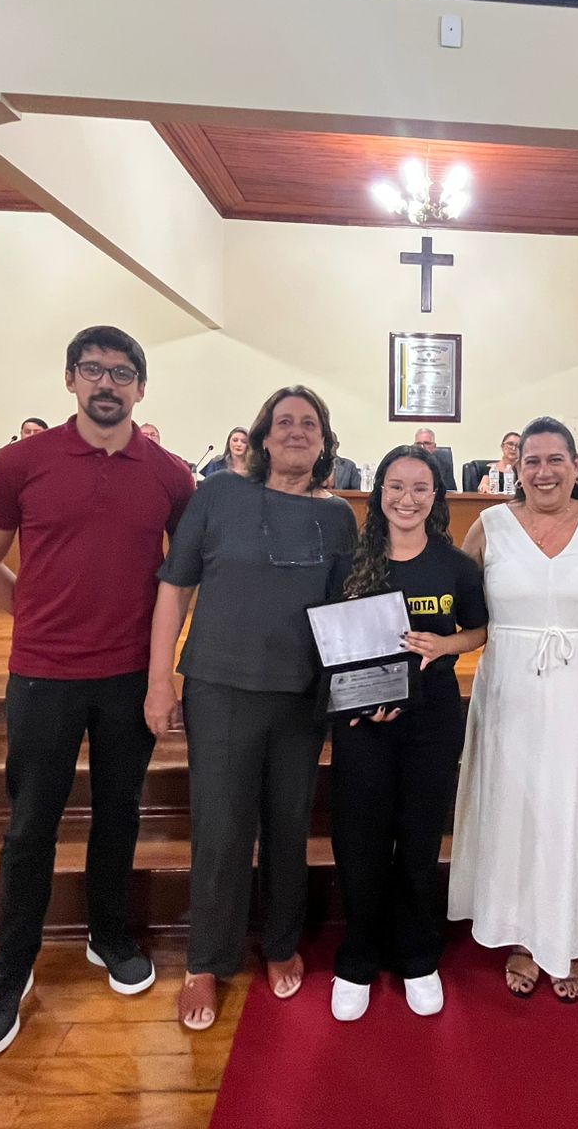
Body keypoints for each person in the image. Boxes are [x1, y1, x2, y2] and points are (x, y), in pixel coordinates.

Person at [0, 326, 194, 1062]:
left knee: (119, 814)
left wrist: (161, 671)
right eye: (92, 369)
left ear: (141, 388)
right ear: (70, 379)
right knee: (31, 826)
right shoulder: (21, 462)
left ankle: (109, 936)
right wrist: (33, 617)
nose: (107, 383)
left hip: (127, 677)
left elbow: (182, 578)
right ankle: (11, 974)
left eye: (122, 373)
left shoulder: (171, 476)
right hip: (43, 677)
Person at [146, 386, 358, 1031]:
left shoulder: (338, 518)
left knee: (289, 824)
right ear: (263, 436)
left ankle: (282, 941)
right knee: (221, 826)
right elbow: (175, 587)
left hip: (300, 694)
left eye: (309, 424)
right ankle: (206, 960)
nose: (296, 432)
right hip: (221, 686)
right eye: (284, 422)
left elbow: (347, 613)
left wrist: (361, 690)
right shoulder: (217, 495)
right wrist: (159, 681)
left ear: (324, 442)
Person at [449, 416, 578, 1002]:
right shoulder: (490, 526)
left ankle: (570, 936)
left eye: (556, 459)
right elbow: (457, 601)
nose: (543, 471)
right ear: (516, 467)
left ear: (576, 467)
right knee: (518, 810)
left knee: (577, 811)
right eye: (531, 460)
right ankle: (523, 935)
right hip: (511, 692)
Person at [329, 445, 489, 1022]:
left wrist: (445, 645)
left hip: (432, 719)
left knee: (419, 840)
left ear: (436, 497)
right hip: (362, 722)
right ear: (379, 494)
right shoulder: (350, 563)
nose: (407, 498)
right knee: (361, 841)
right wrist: (358, 701)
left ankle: (419, 957)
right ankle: (357, 959)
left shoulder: (456, 566)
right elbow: (331, 642)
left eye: (421, 488)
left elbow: (478, 631)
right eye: (396, 486)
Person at [413, 427, 459, 492]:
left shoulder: (444, 465)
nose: (422, 447)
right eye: (418, 444)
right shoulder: (408, 465)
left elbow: (451, 491)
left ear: (434, 447)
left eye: (427, 443)